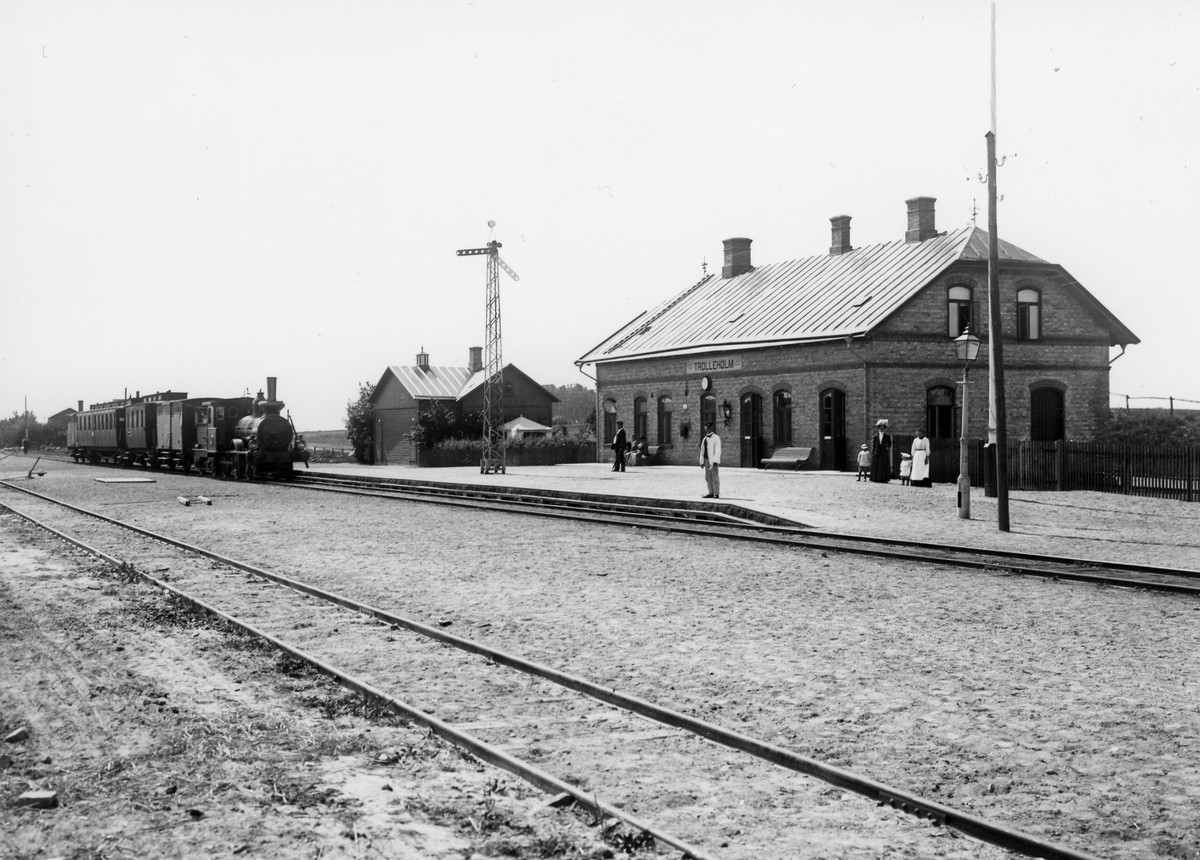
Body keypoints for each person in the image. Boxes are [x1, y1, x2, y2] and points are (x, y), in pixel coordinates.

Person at [699, 422, 721, 498]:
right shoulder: (704, 439)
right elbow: (702, 451)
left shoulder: (716, 438)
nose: (708, 428)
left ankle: (716, 493)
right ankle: (711, 492)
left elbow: (718, 450)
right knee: (708, 477)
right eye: (706, 427)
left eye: (709, 427)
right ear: (705, 428)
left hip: (712, 460)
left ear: (712, 428)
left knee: (715, 477)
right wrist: (702, 461)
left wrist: (715, 460)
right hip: (706, 460)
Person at [869, 419, 892, 483]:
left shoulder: (887, 436)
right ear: (878, 428)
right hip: (877, 453)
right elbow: (873, 445)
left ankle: (883, 479)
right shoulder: (875, 436)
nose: (881, 429)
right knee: (876, 465)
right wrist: (872, 453)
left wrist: (886, 448)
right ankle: (875, 478)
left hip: (884, 453)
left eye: (883, 428)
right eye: (880, 428)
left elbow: (889, 444)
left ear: (885, 428)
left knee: (883, 466)